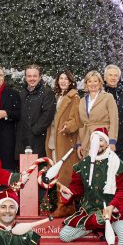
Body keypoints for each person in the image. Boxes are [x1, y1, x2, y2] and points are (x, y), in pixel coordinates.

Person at [47, 70, 80, 216]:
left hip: (65, 139)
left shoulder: (74, 97)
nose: (63, 81)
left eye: (66, 79)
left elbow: (76, 119)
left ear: (71, 81)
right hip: (53, 138)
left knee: (65, 174)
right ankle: (61, 204)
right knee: (55, 173)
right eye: (61, 78)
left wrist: (68, 126)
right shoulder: (55, 96)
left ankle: (66, 206)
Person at [14, 64, 56, 161]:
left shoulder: (47, 93)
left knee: (37, 168)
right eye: (29, 76)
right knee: (25, 171)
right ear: (25, 78)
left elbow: (48, 114)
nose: (32, 79)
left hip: (37, 139)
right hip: (22, 138)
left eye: (35, 76)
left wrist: (35, 130)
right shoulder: (22, 93)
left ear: (40, 77)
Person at [77, 70, 118, 158]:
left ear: (100, 83)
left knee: (102, 169)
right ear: (86, 84)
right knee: (88, 169)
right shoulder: (82, 101)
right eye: (90, 81)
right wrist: (79, 144)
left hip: (102, 139)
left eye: (95, 81)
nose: (93, 84)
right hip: (86, 140)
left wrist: (112, 141)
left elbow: (114, 120)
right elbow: (80, 124)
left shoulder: (108, 97)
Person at [0, 65, 21, 171]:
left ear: (3, 77)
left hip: (6, 135)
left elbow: (18, 114)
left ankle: (6, 185)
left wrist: (6, 113)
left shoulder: (13, 93)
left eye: (0, 75)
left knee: (6, 165)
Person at [103, 64, 123, 158]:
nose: (113, 78)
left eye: (116, 75)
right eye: (110, 75)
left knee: (119, 168)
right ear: (105, 77)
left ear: (119, 78)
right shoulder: (100, 93)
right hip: (103, 135)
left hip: (121, 138)